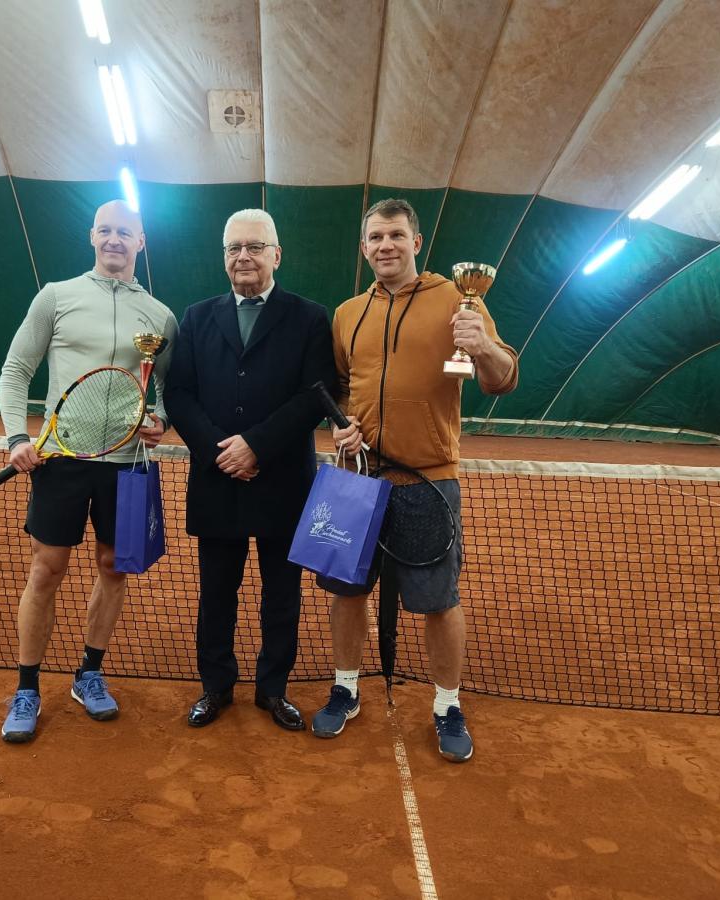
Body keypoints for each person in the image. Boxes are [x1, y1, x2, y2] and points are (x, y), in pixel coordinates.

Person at [312, 198, 519, 762]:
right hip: (355, 478)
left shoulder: (457, 299)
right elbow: (341, 386)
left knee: (437, 601)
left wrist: (483, 346)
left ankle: (447, 704)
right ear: (364, 247)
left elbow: (502, 379)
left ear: (416, 242)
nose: (386, 245)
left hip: (427, 483)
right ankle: (346, 688)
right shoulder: (348, 313)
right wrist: (342, 426)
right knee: (346, 593)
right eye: (376, 237)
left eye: (396, 235)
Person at [0, 199, 178, 743]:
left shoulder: (161, 316)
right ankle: (27, 687)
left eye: (125, 232)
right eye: (106, 230)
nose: (114, 239)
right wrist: (17, 437)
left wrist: (161, 419)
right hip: (61, 460)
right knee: (47, 569)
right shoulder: (57, 296)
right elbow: (16, 369)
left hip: (127, 465)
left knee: (113, 568)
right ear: (92, 236)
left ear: (141, 242)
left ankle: (89, 674)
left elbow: (166, 387)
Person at [165, 209, 335, 731]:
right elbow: (179, 393)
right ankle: (216, 687)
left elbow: (315, 396)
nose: (244, 256)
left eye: (255, 247)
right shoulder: (196, 317)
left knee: (281, 595)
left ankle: (273, 689)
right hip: (217, 480)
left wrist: (255, 446)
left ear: (276, 255)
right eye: (234, 247)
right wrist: (222, 452)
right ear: (224, 257)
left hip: (283, 483)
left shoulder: (310, 318)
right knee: (217, 593)